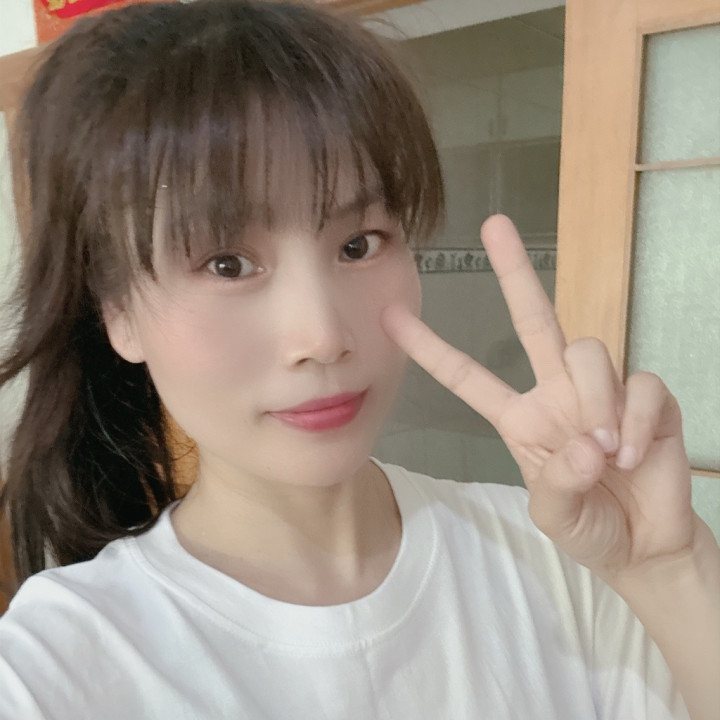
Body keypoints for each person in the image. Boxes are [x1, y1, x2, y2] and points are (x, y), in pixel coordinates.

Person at [0, 1, 717, 718]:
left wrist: (670, 572)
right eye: (227, 263)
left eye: (358, 244)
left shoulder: (564, 556)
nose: (322, 336)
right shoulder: (58, 664)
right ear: (117, 312)